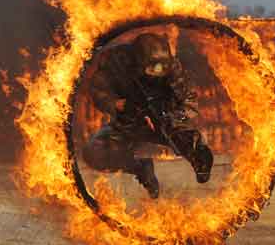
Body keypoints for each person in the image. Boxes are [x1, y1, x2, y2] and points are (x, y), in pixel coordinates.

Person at [82, 33, 214, 199]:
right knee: (96, 152)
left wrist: (174, 118)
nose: (155, 73)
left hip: (167, 120)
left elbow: (189, 100)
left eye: (160, 68)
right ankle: (140, 169)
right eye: (150, 68)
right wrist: (116, 104)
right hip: (129, 122)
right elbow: (98, 90)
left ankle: (198, 158)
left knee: (185, 141)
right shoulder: (117, 63)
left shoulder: (172, 68)